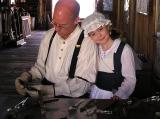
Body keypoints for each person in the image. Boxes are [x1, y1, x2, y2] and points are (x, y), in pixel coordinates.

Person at [15, 0, 97, 98]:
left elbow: (84, 83)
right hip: (45, 92)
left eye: (62, 25)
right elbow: (41, 67)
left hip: (72, 99)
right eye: (54, 23)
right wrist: (27, 76)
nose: (57, 29)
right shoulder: (49, 35)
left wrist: (51, 90)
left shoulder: (87, 42)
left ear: (76, 20)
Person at [81, 12, 136, 100]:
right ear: (90, 37)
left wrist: (119, 95)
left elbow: (130, 79)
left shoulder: (124, 50)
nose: (99, 35)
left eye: (100, 29)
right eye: (93, 34)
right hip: (96, 94)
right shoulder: (94, 50)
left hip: (115, 96)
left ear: (108, 27)